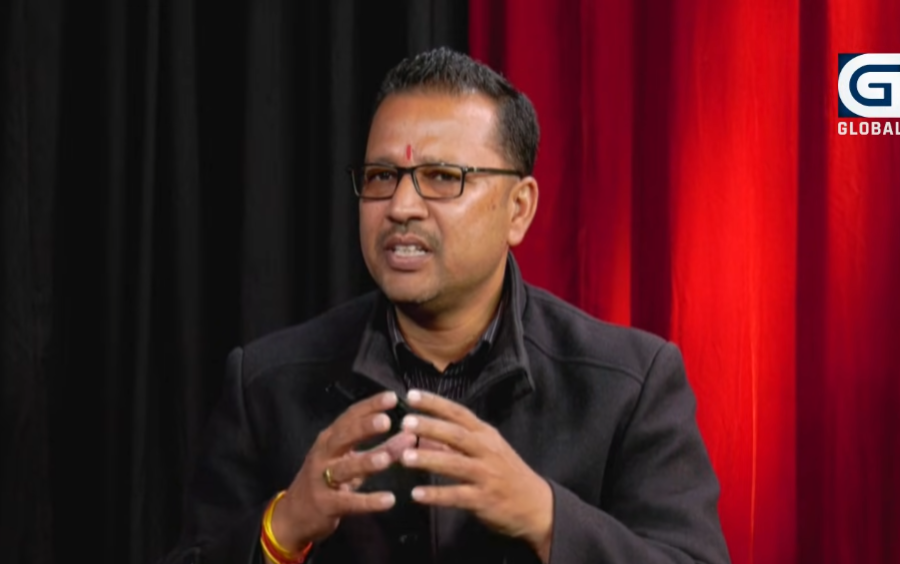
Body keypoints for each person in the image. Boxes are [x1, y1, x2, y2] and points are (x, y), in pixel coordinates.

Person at [162, 47, 730, 564]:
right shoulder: (266, 383)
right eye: (382, 176)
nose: (401, 206)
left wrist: (547, 518)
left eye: (441, 177)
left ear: (518, 209)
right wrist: (282, 529)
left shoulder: (629, 385)